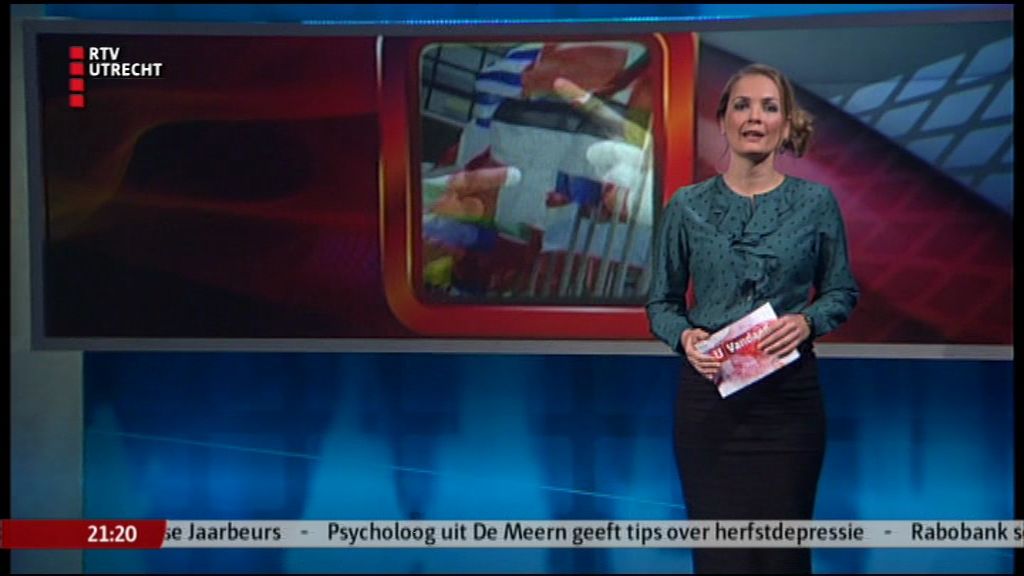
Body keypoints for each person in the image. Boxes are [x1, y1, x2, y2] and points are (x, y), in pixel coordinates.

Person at [646, 63, 859, 574]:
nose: (755, 117)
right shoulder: (687, 206)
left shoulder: (816, 203)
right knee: (721, 556)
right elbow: (661, 304)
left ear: (786, 125)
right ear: (722, 121)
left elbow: (841, 291)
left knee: (782, 556)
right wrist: (686, 337)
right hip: (710, 399)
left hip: (788, 403)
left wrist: (807, 322)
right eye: (742, 105)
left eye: (769, 107)